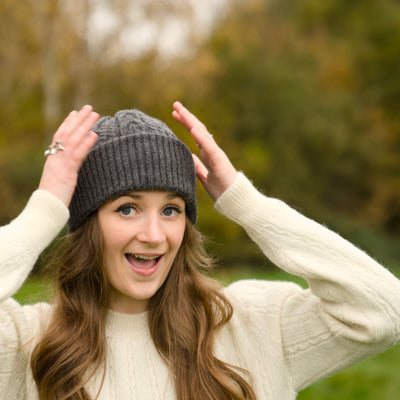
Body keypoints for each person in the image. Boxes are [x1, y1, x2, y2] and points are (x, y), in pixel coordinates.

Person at [1, 102, 400, 400]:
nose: (155, 235)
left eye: (171, 210)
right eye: (128, 209)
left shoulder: (252, 323)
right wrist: (45, 209)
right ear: (87, 224)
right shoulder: (28, 345)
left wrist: (249, 205)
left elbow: (384, 311)